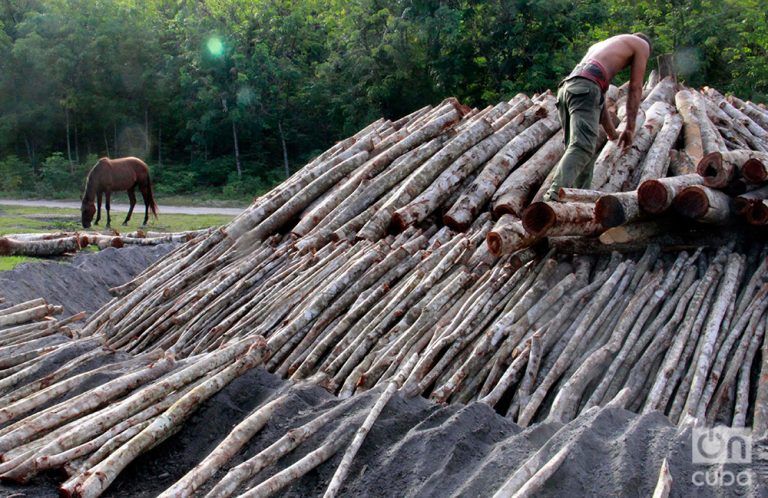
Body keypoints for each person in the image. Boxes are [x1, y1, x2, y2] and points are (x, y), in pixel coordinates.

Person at [544, 33, 652, 201]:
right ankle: (553, 197)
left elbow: (598, 99)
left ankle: (579, 200)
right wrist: (630, 128)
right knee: (582, 147)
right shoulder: (641, 44)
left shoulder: (602, 47)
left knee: (584, 151)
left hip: (567, 89)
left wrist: (612, 133)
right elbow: (636, 87)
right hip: (585, 88)